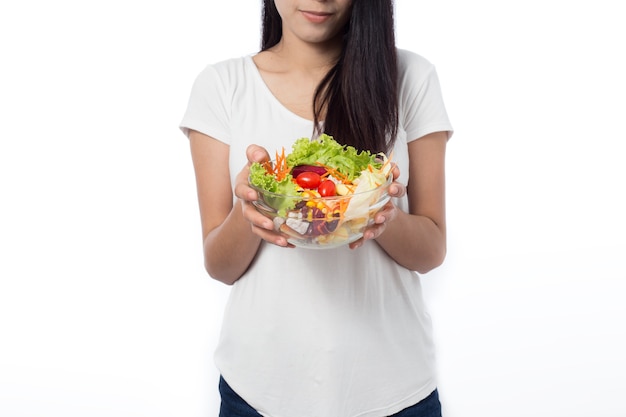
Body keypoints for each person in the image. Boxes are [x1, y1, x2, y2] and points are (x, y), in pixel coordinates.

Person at [179, 0, 453, 416]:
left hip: (394, 390)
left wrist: (381, 210)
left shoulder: (410, 76)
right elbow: (220, 265)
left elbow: (432, 250)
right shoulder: (223, 85)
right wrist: (249, 204)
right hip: (259, 392)